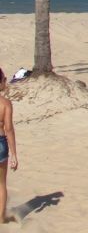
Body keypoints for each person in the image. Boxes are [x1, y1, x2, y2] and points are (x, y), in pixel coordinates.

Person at [0, 68, 18, 224]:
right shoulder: (5, 104)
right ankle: (1, 218)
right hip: (0, 144)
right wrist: (14, 154)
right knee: (1, 184)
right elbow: (9, 129)